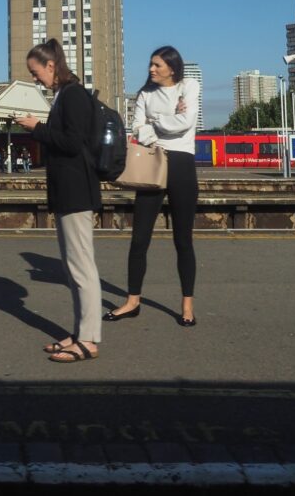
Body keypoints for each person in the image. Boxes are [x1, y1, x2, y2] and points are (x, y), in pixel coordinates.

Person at [13, 38, 101, 363]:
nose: (35, 79)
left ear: (51, 66)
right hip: (68, 192)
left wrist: (38, 128)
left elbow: (74, 142)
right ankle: (80, 333)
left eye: (36, 72)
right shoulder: (65, 94)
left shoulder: (74, 95)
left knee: (82, 268)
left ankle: (89, 341)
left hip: (77, 192)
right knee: (73, 268)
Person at [104, 45, 200, 327]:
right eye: (150, 64)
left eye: (157, 65)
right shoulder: (145, 94)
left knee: (183, 239)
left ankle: (187, 306)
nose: (151, 69)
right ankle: (132, 301)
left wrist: (154, 123)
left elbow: (187, 122)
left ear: (172, 67)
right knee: (139, 238)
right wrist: (163, 121)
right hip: (151, 162)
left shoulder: (188, 85)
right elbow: (137, 130)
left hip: (182, 164)